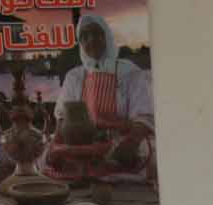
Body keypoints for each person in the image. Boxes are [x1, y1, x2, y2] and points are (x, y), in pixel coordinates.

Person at [52, 18, 153, 173]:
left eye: (97, 33)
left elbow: (145, 117)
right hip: (81, 148)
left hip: (122, 144)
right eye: (84, 36)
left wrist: (131, 143)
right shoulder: (74, 76)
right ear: (80, 43)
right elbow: (62, 118)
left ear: (107, 36)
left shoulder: (130, 73)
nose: (91, 39)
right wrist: (56, 146)